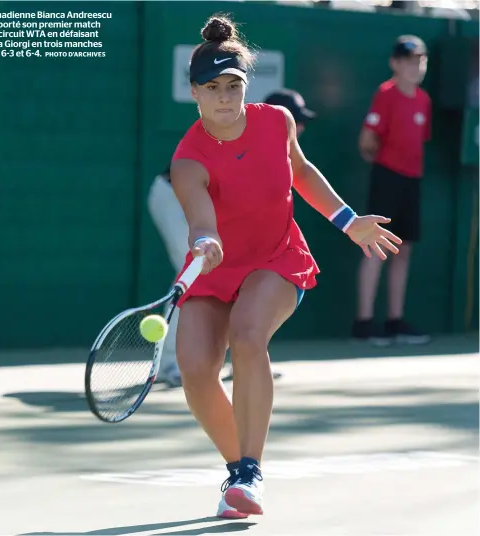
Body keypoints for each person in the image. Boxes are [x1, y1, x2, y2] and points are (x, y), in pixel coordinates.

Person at [170, 14, 401, 519]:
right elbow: (199, 217)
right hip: (214, 265)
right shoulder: (188, 158)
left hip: (276, 258)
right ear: (195, 93)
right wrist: (205, 241)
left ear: (246, 86)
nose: (225, 98)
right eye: (213, 88)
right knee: (194, 370)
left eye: (234, 86)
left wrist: (348, 221)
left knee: (248, 335)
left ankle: (251, 469)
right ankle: (238, 475)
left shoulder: (278, 122)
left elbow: (299, 169)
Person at [149, 89, 317, 388]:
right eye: (297, 120)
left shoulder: (273, 140)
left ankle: (245, 355)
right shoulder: (244, 133)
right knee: (192, 275)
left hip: (208, 209)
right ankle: (171, 364)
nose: (299, 127)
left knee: (251, 280)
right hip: (174, 198)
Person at [353, 35, 432, 346]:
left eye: (420, 61)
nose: (415, 67)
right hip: (387, 178)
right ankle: (364, 323)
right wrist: (385, 165)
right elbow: (367, 141)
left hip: (412, 181)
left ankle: (395, 320)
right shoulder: (385, 95)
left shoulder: (424, 100)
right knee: (376, 247)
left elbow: (419, 140)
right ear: (395, 64)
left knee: (403, 248)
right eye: (409, 61)